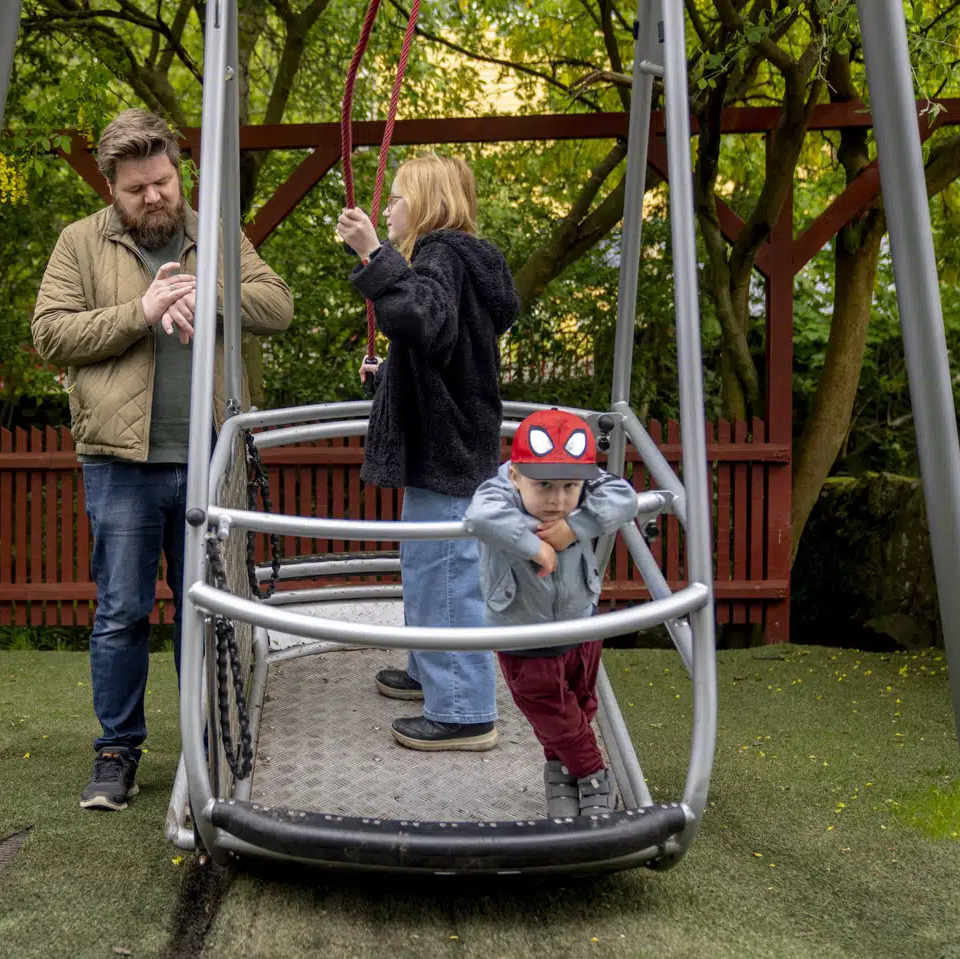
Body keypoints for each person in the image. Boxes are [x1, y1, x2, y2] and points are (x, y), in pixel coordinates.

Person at [31, 109, 294, 811]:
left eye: (163, 181)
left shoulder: (213, 235)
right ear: (112, 190)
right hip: (119, 461)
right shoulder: (80, 244)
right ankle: (117, 753)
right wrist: (142, 310)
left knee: (204, 611)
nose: (155, 197)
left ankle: (206, 741)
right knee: (121, 611)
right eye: (137, 188)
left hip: (210, 456)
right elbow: (50, 334)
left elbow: (277, 304)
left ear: (179, 173)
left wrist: (206, 292)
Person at [335, 154, 519, 751]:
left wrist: (371, 253)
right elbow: (447, 352)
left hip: (447, 448)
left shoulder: (441, 255)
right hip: (449, 442)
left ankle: (465, 711)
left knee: (445, 574)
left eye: (396, 197)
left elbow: (421, 319)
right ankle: (427, 672)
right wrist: (391, 373)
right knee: (427, 567)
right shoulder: (454, 261)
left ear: (426, 204)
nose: (386, 207)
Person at [463, 408, 639, 818]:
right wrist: (535, 545)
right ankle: (592, 771)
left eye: (569, 486)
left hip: (582, 622)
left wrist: (576, 526)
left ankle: (560, 770)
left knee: (580, 703)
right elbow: (479, 516)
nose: (557, 499)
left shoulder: (581, 496)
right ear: (514, 475)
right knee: (552, 710)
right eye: (543, 485)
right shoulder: (499, 491)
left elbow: (624, 496)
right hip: (522, 635)